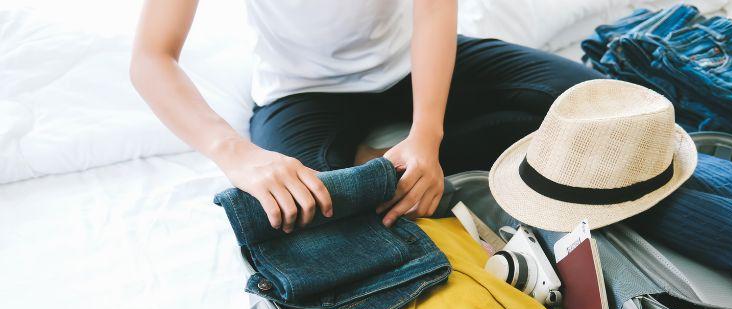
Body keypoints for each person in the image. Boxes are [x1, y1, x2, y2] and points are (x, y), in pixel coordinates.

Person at [131, 0, 602, 234]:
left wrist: (426, 136)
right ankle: (376, 167)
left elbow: (435, 9)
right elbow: (151, 58)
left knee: (594, 101)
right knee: (296, 211)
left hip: (412, 64)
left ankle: (381, 165)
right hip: (305, 91)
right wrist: (236, 156)